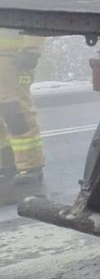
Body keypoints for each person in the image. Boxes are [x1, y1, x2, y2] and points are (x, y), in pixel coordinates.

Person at [0, 29, 47, 203]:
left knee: (16, 113)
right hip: (10, 59)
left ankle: (31, 171)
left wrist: (31, 50)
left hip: (14, 59)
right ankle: (7, 167)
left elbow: (37, 19)